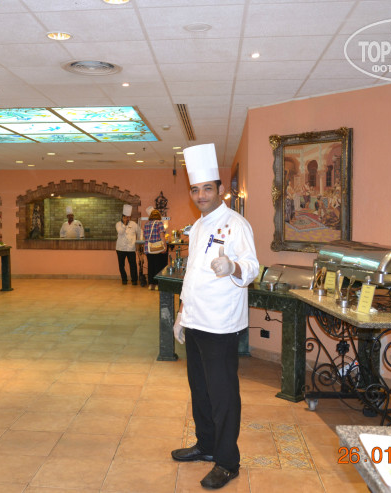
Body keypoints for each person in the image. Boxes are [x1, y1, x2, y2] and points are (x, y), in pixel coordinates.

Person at [171, 143, 259, 490]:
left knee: (223, 395)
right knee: (200, 390)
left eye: (207, 188)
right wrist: (182, 313)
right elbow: (192, 275)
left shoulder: (236, 224)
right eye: (195, 190)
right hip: (195, 320)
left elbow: (251, 266)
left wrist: (233, 266)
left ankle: (227, 461)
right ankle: (206, 445)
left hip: (220, 324)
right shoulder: (197, 226)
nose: (201, 195)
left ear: (220, 189)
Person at [142, 208, 167, 291]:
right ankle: (157, 285)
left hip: (148, 249)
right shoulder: (159, 223)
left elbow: (145, 237)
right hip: (157, 248)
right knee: (158, 267)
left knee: (150, 266)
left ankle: (151, 284)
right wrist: (165, 246)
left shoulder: (146, 224)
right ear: (158, 216)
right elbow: (162, 236)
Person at [115, 204, 140, 285]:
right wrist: (124, 224)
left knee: (133, 265)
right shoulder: (118, 224)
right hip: (120, 248)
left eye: (128, 217)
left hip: (131, 248)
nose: (127, 219)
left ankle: (134, 280)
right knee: (121, 265)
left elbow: (140, 232)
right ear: (122, 217)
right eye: (126, 217)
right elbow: (120, 232)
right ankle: (124, 279)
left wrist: (140, 241)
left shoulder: (133, 224)